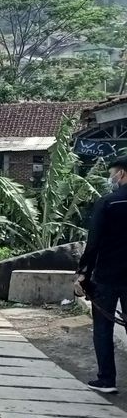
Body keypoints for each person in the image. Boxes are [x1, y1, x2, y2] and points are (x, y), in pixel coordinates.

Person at [78, 155, 127, 393]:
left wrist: (82, 273)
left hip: (107, 276)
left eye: (113, 174)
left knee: (103, 327)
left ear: (122, 174)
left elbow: (93, 243)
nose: (112, 178)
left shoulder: (107, 203)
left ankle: (106, 379)